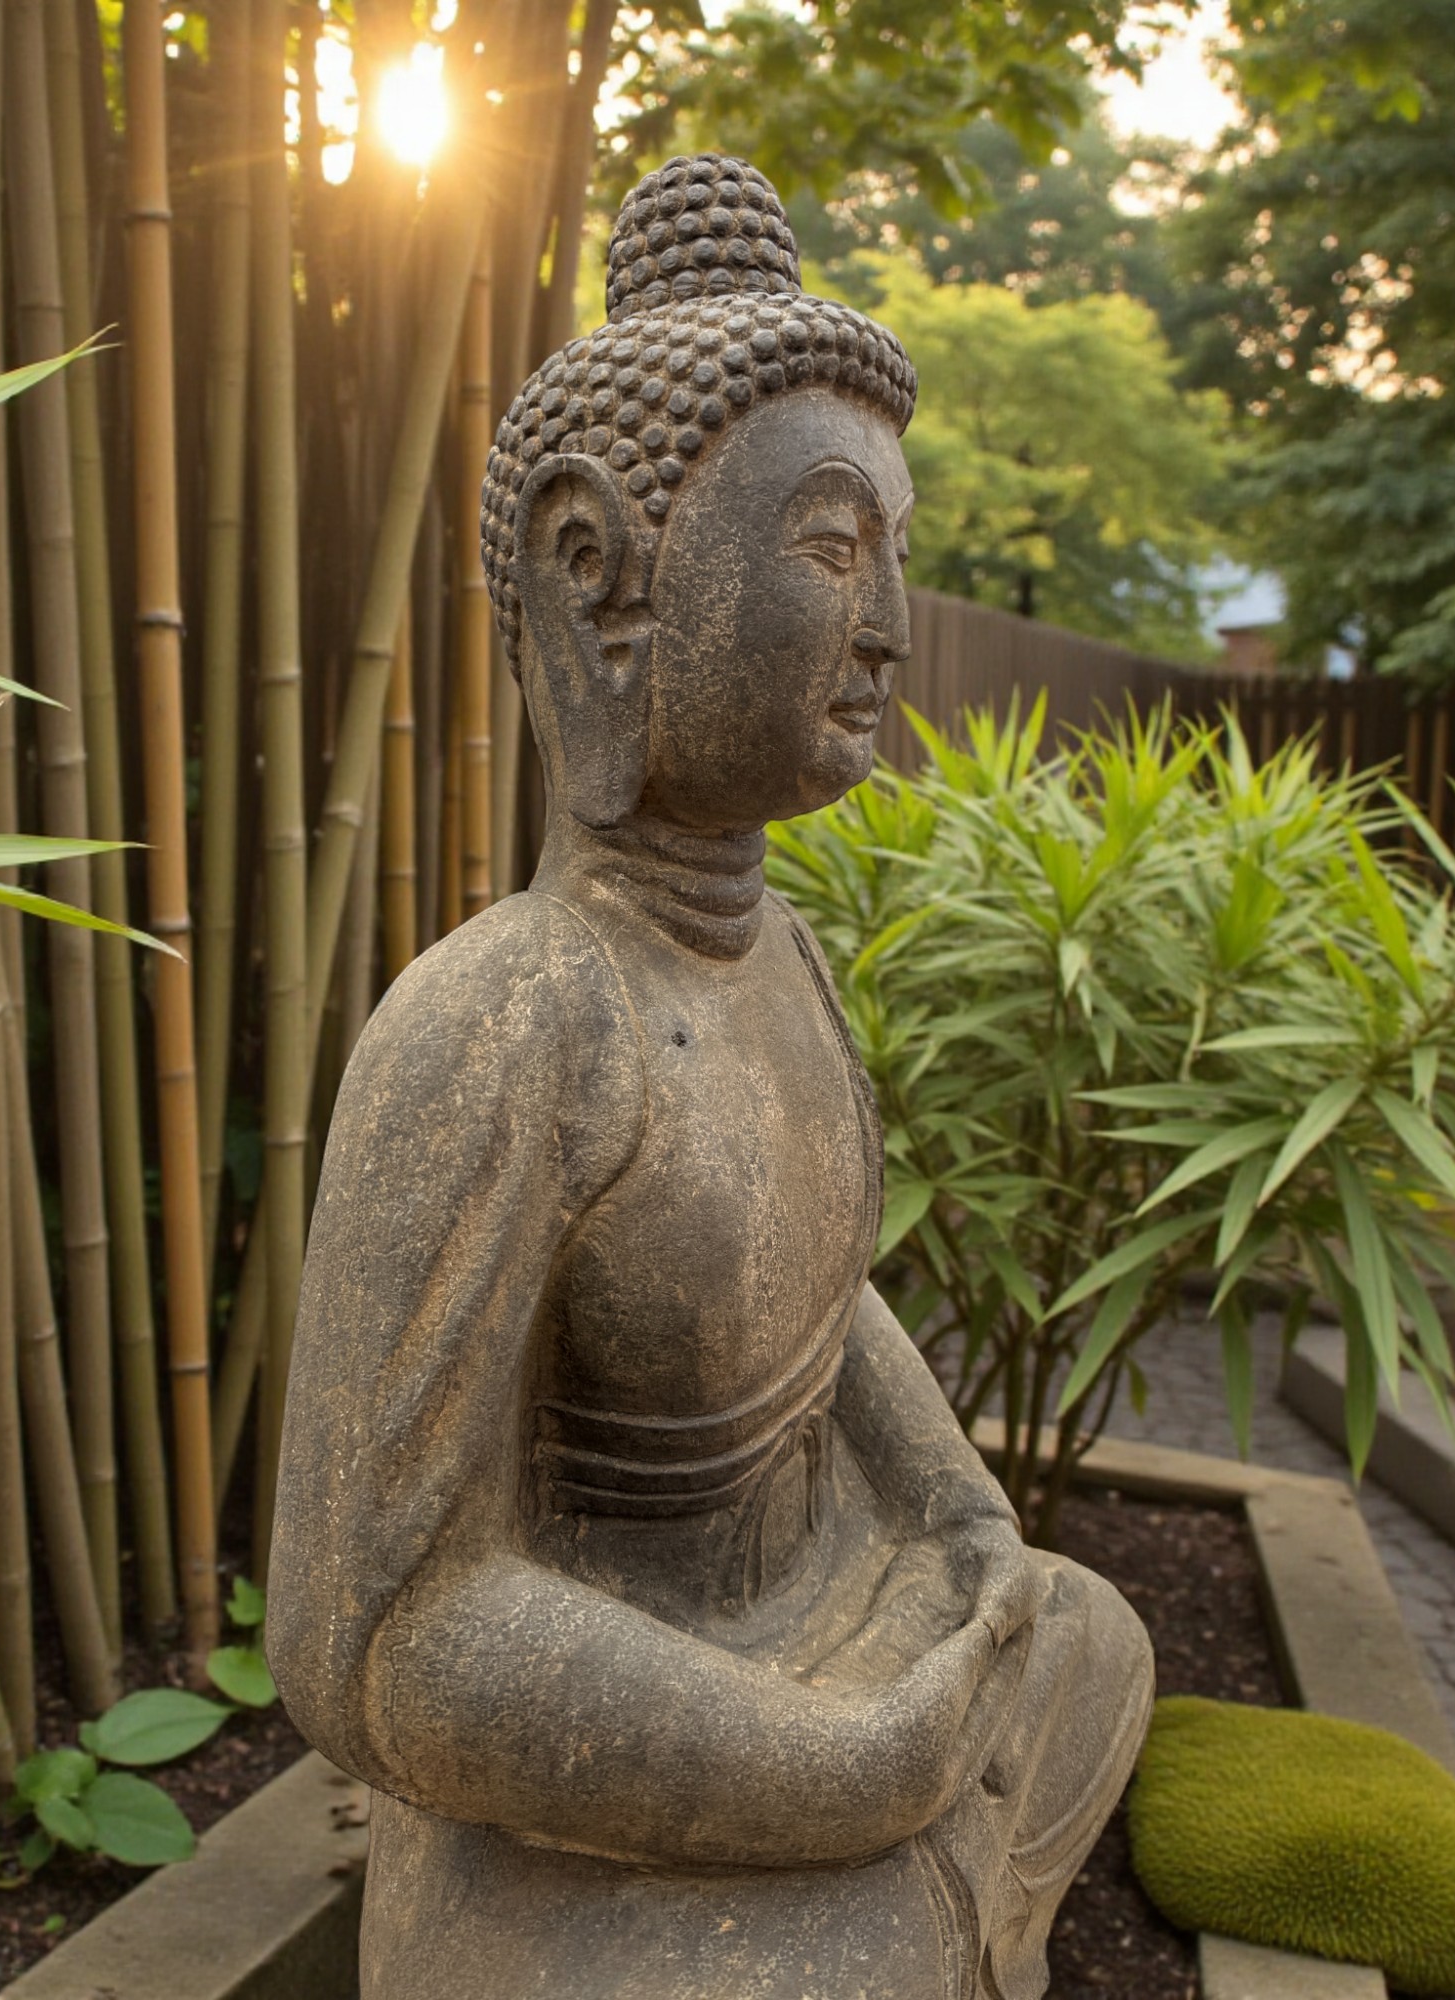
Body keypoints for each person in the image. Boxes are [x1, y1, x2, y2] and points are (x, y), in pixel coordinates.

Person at [267, 153, 1154, 2000]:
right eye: (835, 550)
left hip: (831, 1623)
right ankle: (923, 1900)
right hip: (616, 1745)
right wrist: (843, 1767)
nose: (893, 626)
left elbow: (833, 1315)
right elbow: (374, 1637)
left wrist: (967, 1517)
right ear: (600, 581)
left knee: (1088, 1641)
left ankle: (933, 1891)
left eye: (895, 556)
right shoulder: (503, 1026)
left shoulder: (794, 966)